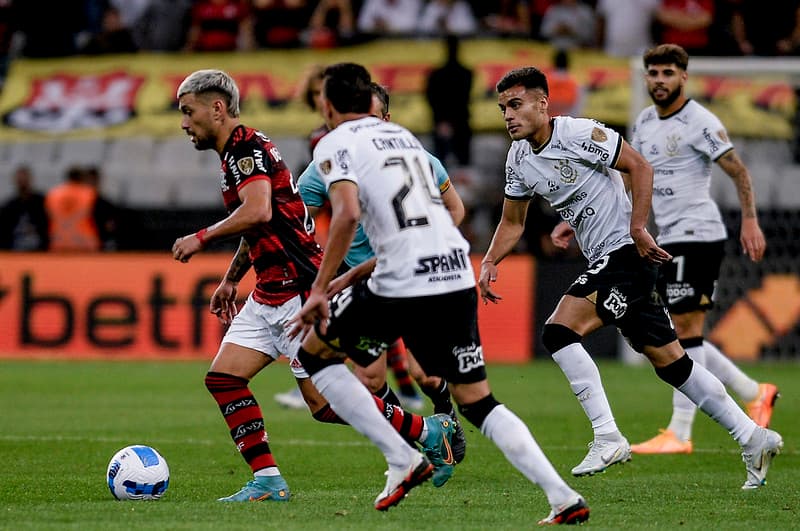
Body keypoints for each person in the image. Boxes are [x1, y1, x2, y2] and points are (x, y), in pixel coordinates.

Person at [287, 62, 589, 523]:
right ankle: (562, 496)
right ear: (371, 103)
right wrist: (352, 276)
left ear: (326, 106)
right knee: (479, 401)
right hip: (453, 272)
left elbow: (345, 214)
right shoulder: (405, 140)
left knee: (314, 358)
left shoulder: (333, 142)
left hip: (401, 278)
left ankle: (402, 457)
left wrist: (319, 288)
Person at [478, 65, 782, 490]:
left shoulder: (579, 133)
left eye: (516, 104)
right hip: (609, 258)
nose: (508, 115)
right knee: (673, 364)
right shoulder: (519, 159)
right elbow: (513, 221)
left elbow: (639, 166)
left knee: (559, 332)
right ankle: (753, 437)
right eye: (503, 108)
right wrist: (491, 259)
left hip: (625, 253)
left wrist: (638, 227)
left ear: (542, 104)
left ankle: (607, 436)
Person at [171, 69, 458, 502]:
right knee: (224, 379)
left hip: (298, 289)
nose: (183, 123)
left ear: (217, 108)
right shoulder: (236, 154)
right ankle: (268, 480)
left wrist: (202, 237)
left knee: (324, 406)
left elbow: (258, 211)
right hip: (269, 290)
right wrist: (231, 279)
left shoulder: (246, 149)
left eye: (188, 112)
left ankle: (426, 431)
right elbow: (263, 221)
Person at [293, 81, 469, 468]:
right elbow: (295, 214)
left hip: (413, 276)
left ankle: (444, 415)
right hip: (364, 284)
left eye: (371, 118)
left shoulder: (417, 158)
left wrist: (431, 240)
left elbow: (455, 209)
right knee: (369, 381)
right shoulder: (330, 163)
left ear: (387, 120)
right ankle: (423, 436)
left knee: (425, 375)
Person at [623, 43, 778, 453]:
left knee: (684, 331)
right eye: (654, 73)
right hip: (669, 236)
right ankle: (754, 391)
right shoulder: (644, 120)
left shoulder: (700, 121)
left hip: (698, 233)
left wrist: (750, 220)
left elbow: (738, 170)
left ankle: (680, 432)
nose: (660, 80)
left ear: (683, 77)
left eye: (668, 73)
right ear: (646, 77)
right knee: (678, 331)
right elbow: (631, 174)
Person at [425, 34, 473, 167]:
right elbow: (432, 98)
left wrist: (443, 121)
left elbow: (462, 98)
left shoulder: (464, 74)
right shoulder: (465, 73)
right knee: (445, 163)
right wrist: (442, 121)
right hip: (453, 121)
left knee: (453, 164)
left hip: (457, 122)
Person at [45, 166, 104, 252]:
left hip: (59, 241)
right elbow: (99, 217)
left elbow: (48, 216)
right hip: (84, 242)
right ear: (82, 178)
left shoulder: (53, 193)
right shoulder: (89, 193)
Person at [0, 165, 49, 251]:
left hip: (40, 249)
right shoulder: (9, 205)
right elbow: (4, 230)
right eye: (20, 179)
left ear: (30, 179)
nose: (22, 181)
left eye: (25, 179)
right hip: (15, 250)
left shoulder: (42, 201)